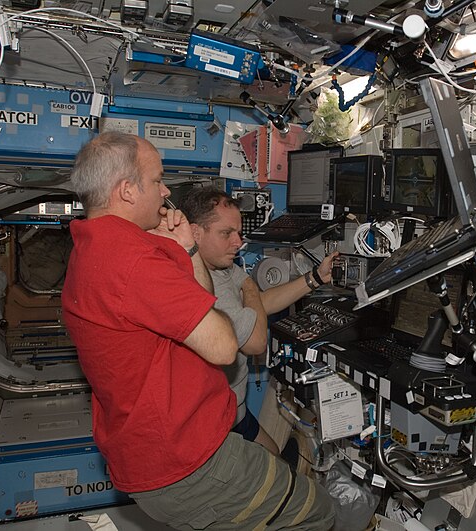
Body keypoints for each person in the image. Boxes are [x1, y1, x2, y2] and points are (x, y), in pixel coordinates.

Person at [62, 132, 334, 530]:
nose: (165, 190)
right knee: (318, 513)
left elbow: (199, 304)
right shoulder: (133, 260)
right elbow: (225, 347)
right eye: (157, 180)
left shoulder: (92, 250)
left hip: (155, 457)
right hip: (192, 462)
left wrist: (188, 251)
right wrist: (245, 290)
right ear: (126, 191)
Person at [179, 187, 337, 455]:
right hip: (215, 423)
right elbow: (256, 342)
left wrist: (316, 278)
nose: (237, 242)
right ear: (195, 233)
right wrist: (249, 284)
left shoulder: (218, 264)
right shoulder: (205, 281)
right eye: (226, 233)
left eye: (238, 232)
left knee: (275, 455)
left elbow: (257, 307)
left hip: (233, 410)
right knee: (273, 470)